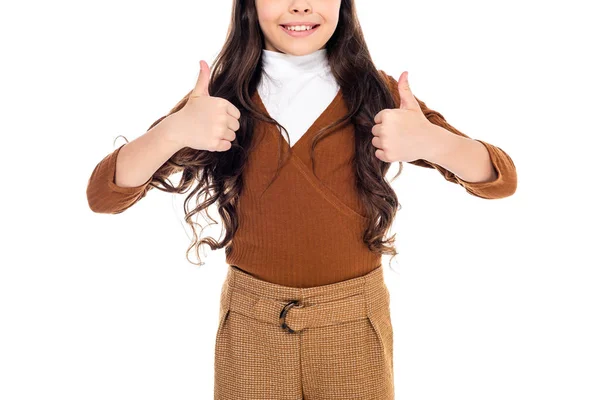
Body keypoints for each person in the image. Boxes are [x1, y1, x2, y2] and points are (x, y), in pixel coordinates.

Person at [86, 0, 517, 398]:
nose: (301, 5)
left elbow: (501, 180)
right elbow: (104, 194)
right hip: (251, 328)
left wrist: (434, 142)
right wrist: (171, 133)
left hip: (354, 326)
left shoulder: (377, 92)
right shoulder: (219, 98)